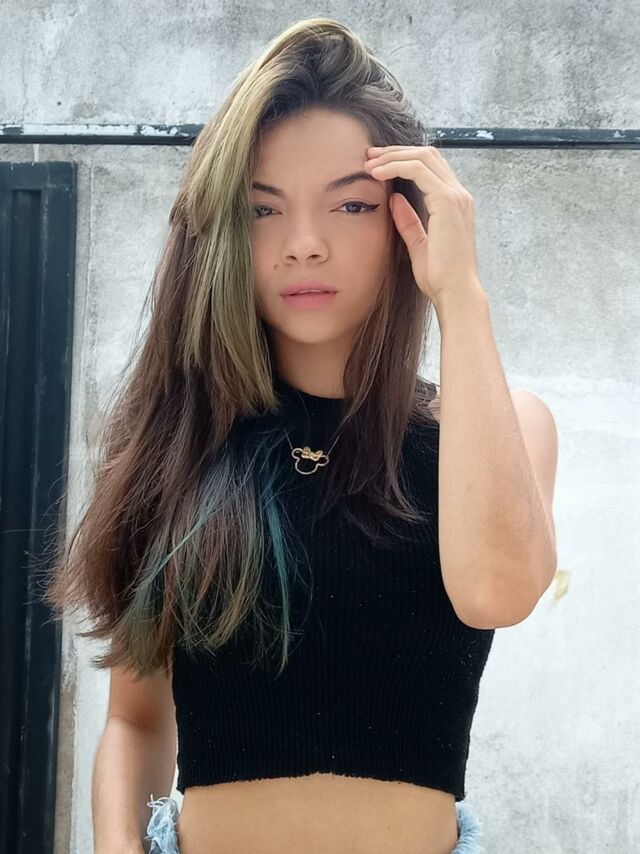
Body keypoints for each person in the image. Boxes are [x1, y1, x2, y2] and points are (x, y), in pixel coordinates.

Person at [40, 15, 558, 854]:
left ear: (407, 219)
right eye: (262, 209)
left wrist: (461, 296)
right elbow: (136, 722)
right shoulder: (173, 441)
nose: (304, 246)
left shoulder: (500, 429)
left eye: (350, 205)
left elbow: (495, 592)